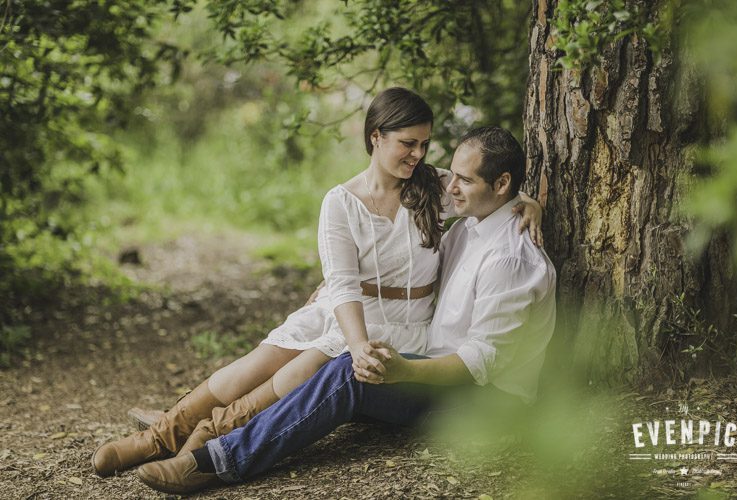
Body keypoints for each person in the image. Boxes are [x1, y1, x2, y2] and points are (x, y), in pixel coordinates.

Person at [90, 90, 543, 477]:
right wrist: (355, 337)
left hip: (403, 326)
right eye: (408, 143)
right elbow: (344, 284)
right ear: (376, 137)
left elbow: (486, 191)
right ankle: (157, 437)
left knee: (292, 377)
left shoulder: (434, 188)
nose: (418, 155)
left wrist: (528, 202)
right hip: (347, 312)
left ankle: (205, 443)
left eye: (424, 144)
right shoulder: (341, 202)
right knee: (246, 369)